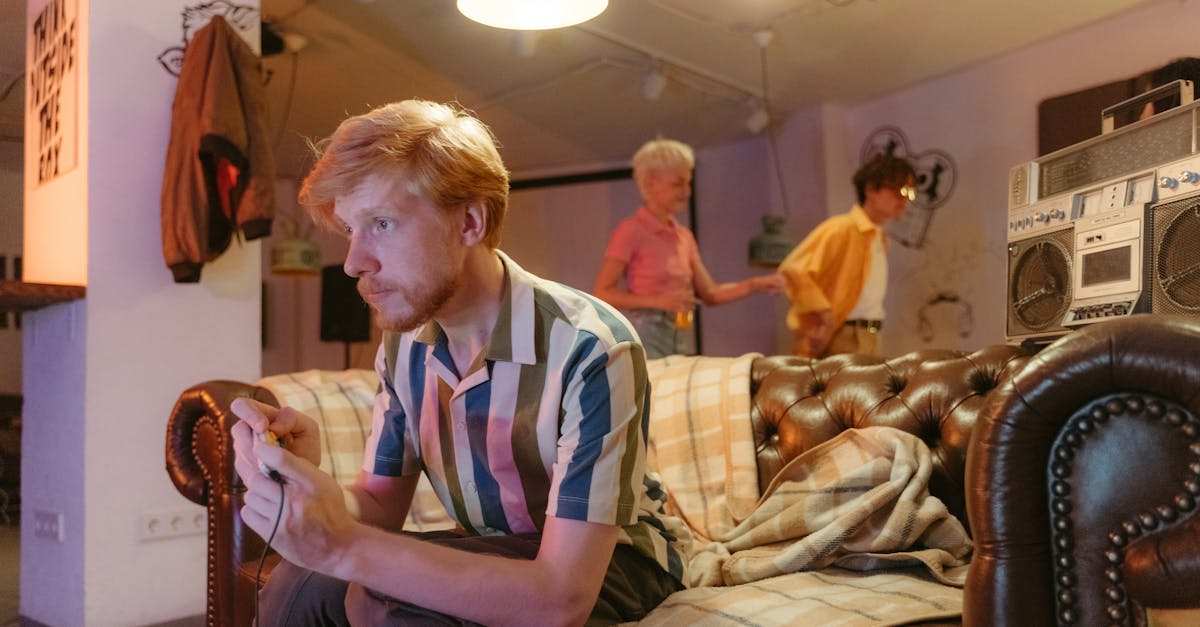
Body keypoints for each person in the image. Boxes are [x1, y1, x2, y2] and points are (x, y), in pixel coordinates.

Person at [230, 100, 685, 626]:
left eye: (382, 223)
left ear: (469, 221)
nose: (353, 263)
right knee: (296, 584)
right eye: (352, 230)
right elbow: (379, 506)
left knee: (386, 606)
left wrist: (345, 548)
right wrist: (313, 486)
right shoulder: (403, 347)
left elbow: (561, 599)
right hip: (497, 544)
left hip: (617, 558)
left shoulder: (592, 346)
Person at [592, 138, 784, 359]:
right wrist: (657, 301)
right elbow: (603, 293)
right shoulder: (631, 230)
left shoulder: (684, 236)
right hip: (647, 333)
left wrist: (755, 284)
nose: (687, 191)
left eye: (688, 183)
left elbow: (710, 293)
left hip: (681, 331)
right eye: (678, 183)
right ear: (650, 183)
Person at [778, 153, 916, 358]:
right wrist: (825, 316)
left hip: (870, 333)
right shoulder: (842, 228)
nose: (904, 199)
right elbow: (794, 270)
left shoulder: (878, 237)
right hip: (844, 335)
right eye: (899, 190)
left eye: (910, 192)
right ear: (871, 189)